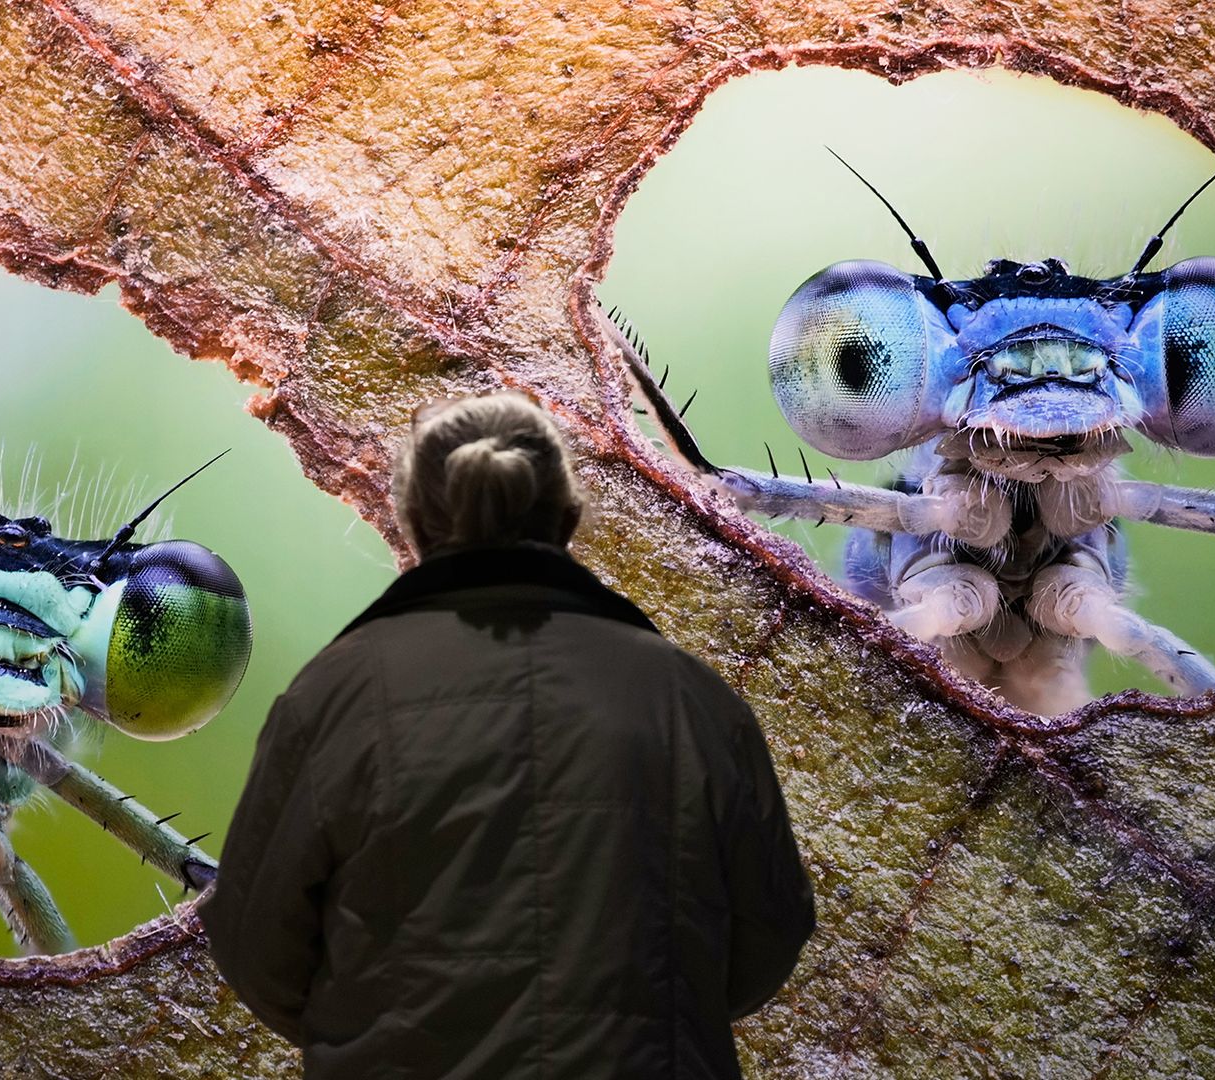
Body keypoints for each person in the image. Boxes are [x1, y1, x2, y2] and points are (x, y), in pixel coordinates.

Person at [199, 392, 815, 1079]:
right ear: (568, 518)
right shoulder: (689, 697)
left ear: (412, 522)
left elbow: (255, 946)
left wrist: (363, 1024)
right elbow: (772, 931)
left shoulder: (332, 695)